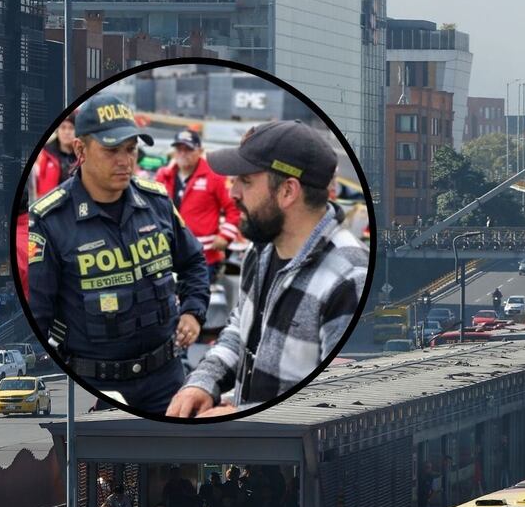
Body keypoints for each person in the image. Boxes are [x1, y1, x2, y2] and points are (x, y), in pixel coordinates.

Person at [166, 120, 368, 417]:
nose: (233, 193)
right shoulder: (259, 250)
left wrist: (243, 417)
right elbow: (239, 331)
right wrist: (202, 381)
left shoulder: (349, 278)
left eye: (245, 181)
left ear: (288, 191)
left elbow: (340, 402)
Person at [24, 93, 210, 415]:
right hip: (95, 386)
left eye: (131, 149)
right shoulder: (51, 221)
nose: (125, 160)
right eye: (112, 150)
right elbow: (39, 316)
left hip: (167, 379)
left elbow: (194, 262)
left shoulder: (157, 203)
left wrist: (193, 311)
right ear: (81, 150)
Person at [155, 129, 241, 283]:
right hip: (167, 254)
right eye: (179, 149)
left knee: (195, 302)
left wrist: (226, 235)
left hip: (204, 256)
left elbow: (233, 207)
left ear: (200, 151)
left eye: (188, 149)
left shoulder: (214, 175)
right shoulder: (164, 175)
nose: (183, 153)